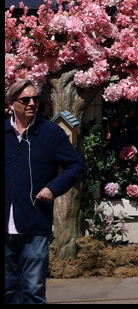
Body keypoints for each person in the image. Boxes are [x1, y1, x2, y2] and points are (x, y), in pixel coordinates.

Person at [5, 78, 85, 305]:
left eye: (35, 99)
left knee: (32, 290)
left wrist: (53, 188)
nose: (32, 103)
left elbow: (76, 166)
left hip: (34, 222)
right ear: (11, 103)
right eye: (25, 100)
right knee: (7, 290)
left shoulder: (50, 132)